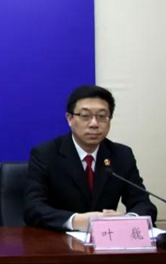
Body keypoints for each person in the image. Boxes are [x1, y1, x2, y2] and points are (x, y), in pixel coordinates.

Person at [24, 85, 157, 231]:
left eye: (102, 116)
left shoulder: (121, 155)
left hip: (107, 238)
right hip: (59, 240)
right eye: (85, 116)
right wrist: (76, 221)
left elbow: (143, 204)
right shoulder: (46, 154)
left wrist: (127, 221)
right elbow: (33, 208)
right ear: (69, 118)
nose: (94, 124)